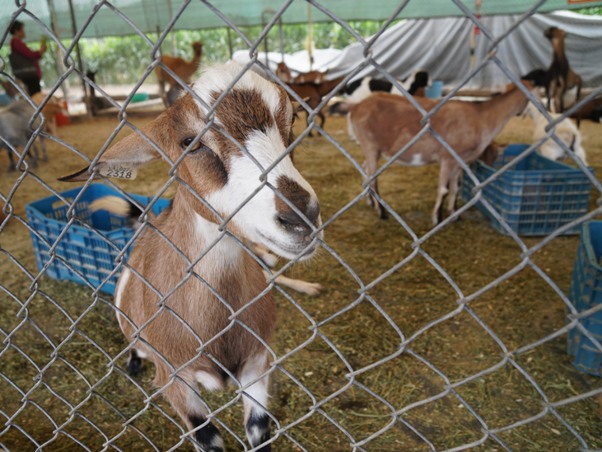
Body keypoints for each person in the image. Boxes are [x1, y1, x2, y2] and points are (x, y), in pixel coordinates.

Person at [9, 20, 46, 96]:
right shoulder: (16, 42)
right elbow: (30, 55)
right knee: (35, 96)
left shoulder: (15, 42)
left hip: (27, 75)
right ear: (16, 31)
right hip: (29, 76)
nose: (24, 32)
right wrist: (40, 51)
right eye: (22, 30)